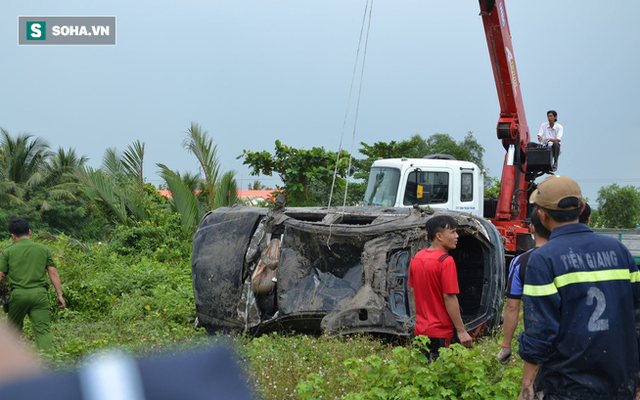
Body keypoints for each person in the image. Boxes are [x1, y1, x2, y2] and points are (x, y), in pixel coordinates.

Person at [517, 175, 640, 400]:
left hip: (567, 385)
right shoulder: (619, 250)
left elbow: (540, 331)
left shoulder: (543, 259)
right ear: (582, 207)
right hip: (621, 381)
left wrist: (527, 386)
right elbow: (637, 317)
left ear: (542, 215)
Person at [408, 214, 473, 360]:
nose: (457, 236)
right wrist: (461, 331)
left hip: (421, 331)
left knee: (423, 374)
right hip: (442, 333)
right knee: (442, 375)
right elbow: (449, 297)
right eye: (453, 232)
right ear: (439, 236)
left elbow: (412, 291)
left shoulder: (416, 258)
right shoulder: (445, 261)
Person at [0, 219, 66, 351]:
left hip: (18, 295)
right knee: (43, 332)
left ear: (12, 235)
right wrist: (59, 294)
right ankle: (47, 363)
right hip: (40, 295)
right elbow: (53, 271)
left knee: (13, 333)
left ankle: (12, 364)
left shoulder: (7, 252)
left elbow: (0, 275)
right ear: (29, 232)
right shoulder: (43, 249)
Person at [496, 206, 551, 365]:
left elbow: (512, 307)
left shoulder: (520, 261)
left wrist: (506, 345)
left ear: (532, 227)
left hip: (537, 338)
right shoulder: (567, 255)